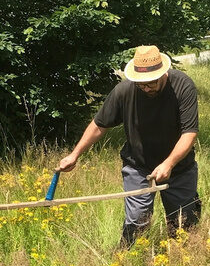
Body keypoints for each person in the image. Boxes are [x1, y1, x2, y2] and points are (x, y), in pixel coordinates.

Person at [57, 45, 200, 247]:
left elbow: (189, 132)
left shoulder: (182, 86)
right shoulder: (124, 90)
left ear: (163, 74)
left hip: (180, 168)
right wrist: (75, 155)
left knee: (184, 222)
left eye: (151, 83)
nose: (146, 88)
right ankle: (127, 262)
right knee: (136, 222)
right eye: (141, 84)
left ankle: (183, 263)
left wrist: (169, 163)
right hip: (138, 167)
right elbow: (99, 124)